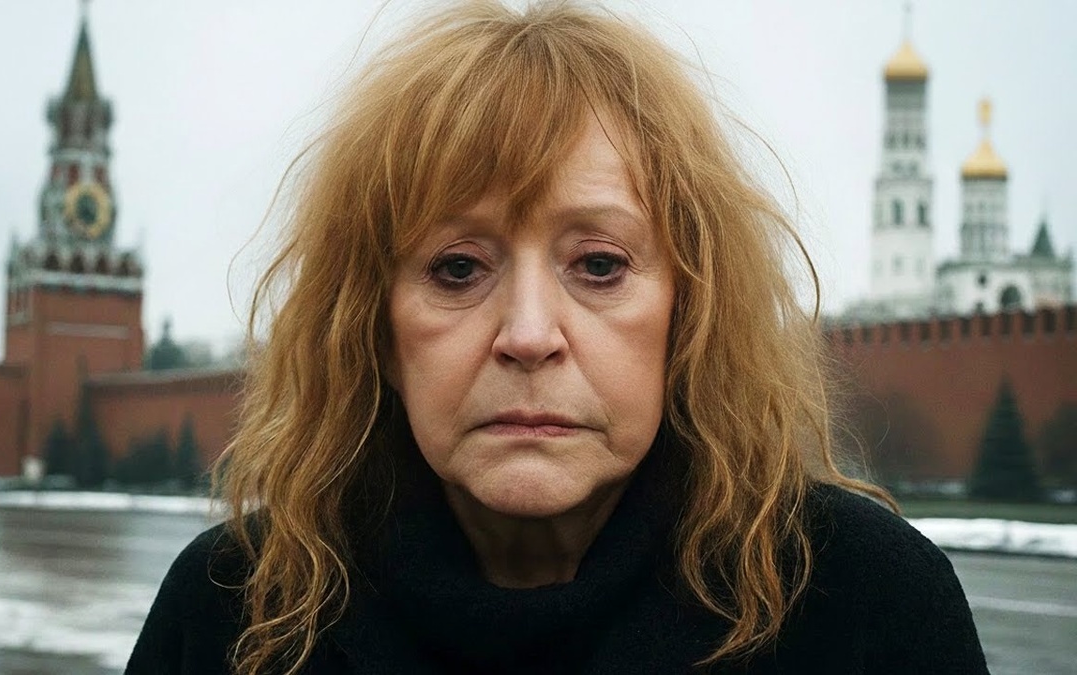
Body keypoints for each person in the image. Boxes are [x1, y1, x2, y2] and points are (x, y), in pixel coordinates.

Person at [127, 2, 988, 673]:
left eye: (600, 264)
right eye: (457, 268)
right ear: (375, 329)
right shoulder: (237, 613)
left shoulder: (859, 604)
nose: (530, 335)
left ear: (689, 312)